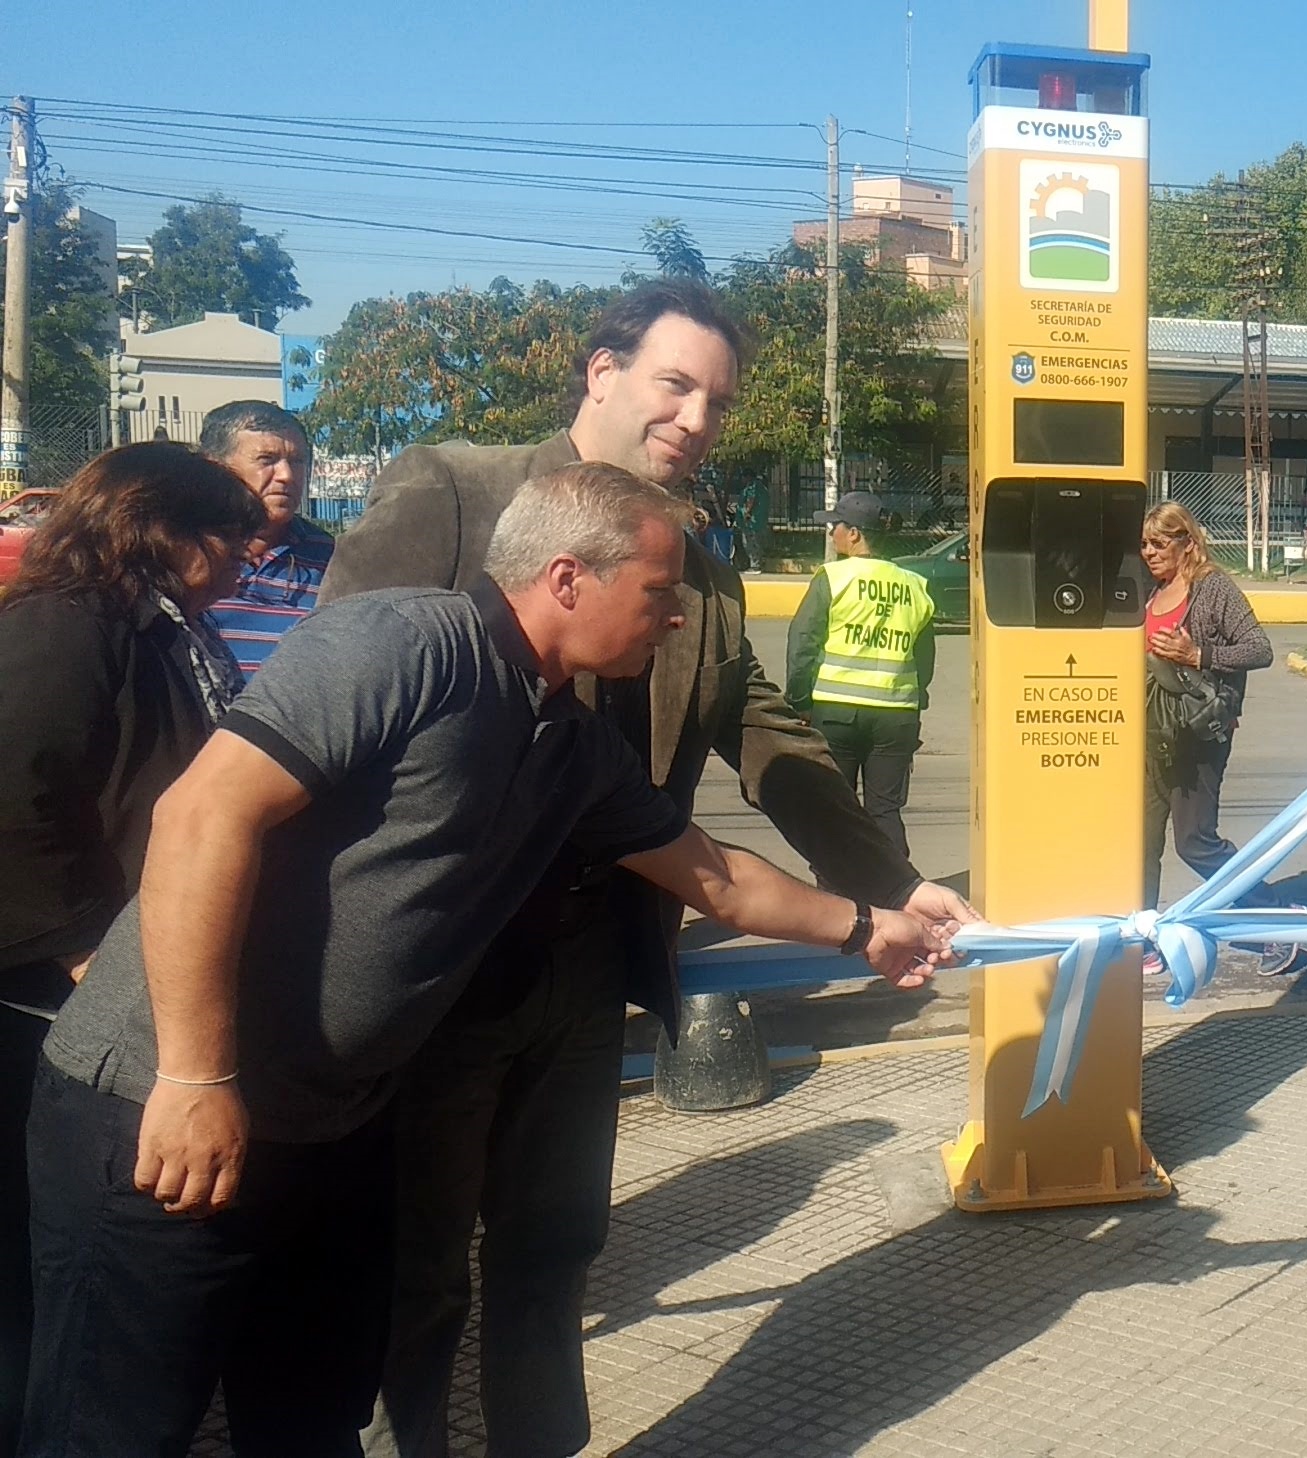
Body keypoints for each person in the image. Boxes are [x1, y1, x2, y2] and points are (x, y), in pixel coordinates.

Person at [18, 462, 948, 1457]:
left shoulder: (567, 740)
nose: (675, 617)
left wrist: (869, 925)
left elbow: (714, 874)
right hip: (159, 1112)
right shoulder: (403, 646)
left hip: (331, 1137)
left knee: (305, 1421)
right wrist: (197, 1076)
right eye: (657, 591)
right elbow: (201, 817)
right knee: (111, 1432)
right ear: (565, 579)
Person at [321, 279, 973, 1458]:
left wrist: (886, 884)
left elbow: (768, 733)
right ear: (601, 371)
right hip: (429, 972)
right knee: (408, 1267)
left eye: (717, 401)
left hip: (585, 966)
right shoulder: (457, 493)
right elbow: (325, 715)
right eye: (676, 383)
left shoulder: (701, 568)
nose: (696, 417)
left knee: (554, 1248)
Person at [0, 443, 262, 1456]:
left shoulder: (169, 627)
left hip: (118, 972)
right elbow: (13, 795)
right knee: (33, 1267)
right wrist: (77, 946)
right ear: (165, 529)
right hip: (39, 999)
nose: (244, 560)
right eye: (229, 537)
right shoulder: (65, 624)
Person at [1140, 504, 1283, 953]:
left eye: (1159, 544)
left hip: (1198, 736)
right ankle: (1143, 939)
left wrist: (1198, 655)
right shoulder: (1150, 589)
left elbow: (1260, 649)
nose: (1149, 553)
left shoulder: (1212, 588)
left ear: (1188, 543)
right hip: (1151, 735)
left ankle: (1272, 914)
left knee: (1195, 842)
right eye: (1144, 544)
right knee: (1138, 844)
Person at [786, 490, 936, 858]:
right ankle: (898, 893)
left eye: (835, 525)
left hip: (837, 712)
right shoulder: (914, 586)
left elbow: (803, 642)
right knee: (885, 809)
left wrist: (799, 701)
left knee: (835, 807)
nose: (831, 531)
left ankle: (836, 895)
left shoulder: (833, 578)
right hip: (897, 716)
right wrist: (912, 700)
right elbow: (925, 659)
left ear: (854, 533)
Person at [197, 400, 334, 674]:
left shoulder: (334, 561)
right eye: (267, 460)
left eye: (297, 461)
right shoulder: (182, 551)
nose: (287, 476)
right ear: (215, 467)